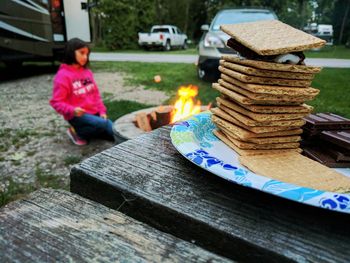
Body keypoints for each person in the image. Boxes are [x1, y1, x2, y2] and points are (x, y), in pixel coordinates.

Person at [50, 38, 114, 145]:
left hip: (94, 113)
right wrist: (72, 110)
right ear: (71, 52)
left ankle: (91, 129)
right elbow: (56, 102)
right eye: (82, 53)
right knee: (104, 125)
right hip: (77, 115)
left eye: (87, 54)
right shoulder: (63, 76)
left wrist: (102, 111)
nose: (85, 57)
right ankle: (77, 132)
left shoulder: (87, 72)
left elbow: (95, 94)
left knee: (113, 132)